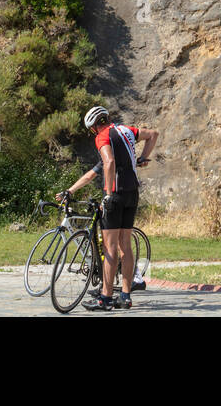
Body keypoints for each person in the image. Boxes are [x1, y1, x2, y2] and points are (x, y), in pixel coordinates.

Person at [70, 105, 156, 311]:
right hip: (132, 193)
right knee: (125, 245)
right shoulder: (126, 131)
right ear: (107, 117)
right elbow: (153, 134)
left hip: (116, 195)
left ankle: (106, 298)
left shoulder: (102, 136)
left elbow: (108, 162)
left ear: (93, 127)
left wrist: (108, 194)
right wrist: (142, 158)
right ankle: (125, 296)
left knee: (110, 249)